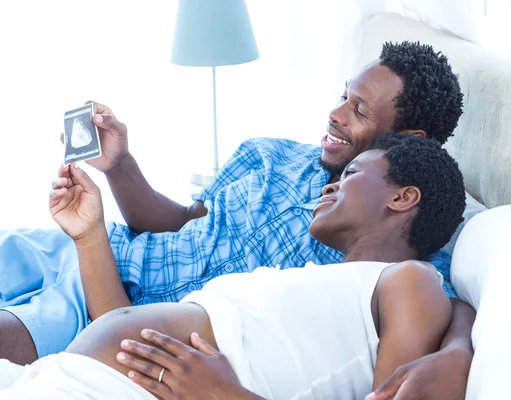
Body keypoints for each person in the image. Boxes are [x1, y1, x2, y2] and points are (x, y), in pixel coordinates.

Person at [0, 41, 475, 399]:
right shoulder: (273, 156)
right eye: (343, 97)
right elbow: (184, 221)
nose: (334, 115)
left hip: (101, 302)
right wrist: (121, 168)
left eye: (360, 109)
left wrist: (460, 353)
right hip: (82, 247)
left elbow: (449, 306)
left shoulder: (403, 242)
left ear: (411, 140)